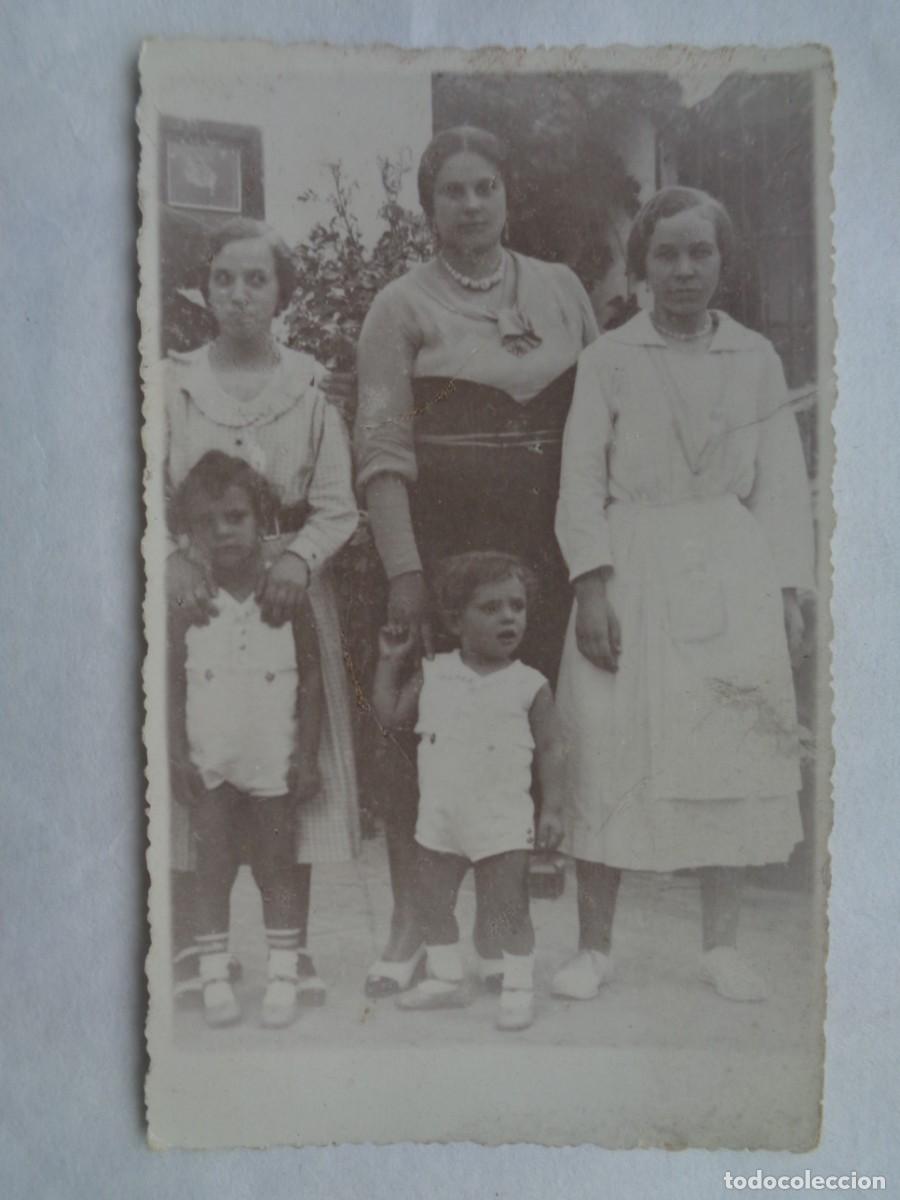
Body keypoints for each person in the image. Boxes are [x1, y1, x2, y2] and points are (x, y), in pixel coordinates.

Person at [553, 186, 815, 1003]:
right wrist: (591, 583)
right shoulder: (610, 359)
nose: (684, 270)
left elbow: (782, 485)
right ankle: (595, 947)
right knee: (606, 742)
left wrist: (788, 589)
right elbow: (579, 481)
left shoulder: (756, 358)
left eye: (700, 252)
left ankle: (722, 946)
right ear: (642, 267)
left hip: (730, 569)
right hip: (632, 562)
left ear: (723, 263)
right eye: (666, 254)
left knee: (727, 749)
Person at [355, 126, 599, 995]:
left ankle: (505, 933)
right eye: (452, 191)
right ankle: (411, 926)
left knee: (521, 737)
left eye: (484, 187)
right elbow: (381, 449)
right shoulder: (400, 305)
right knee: (424, 740)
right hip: (446, 545)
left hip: (546, 544)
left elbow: (602, 417)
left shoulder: (563, 290)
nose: (471, 204)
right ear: (428, 208)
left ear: (507, 193)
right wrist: (406, 573)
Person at [164, 217, 360, 1005]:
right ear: (203, 290)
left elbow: (339, 506)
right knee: (192, 764)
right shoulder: (173, 384)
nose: (240, 295)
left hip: (285, 597)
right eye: (224, 279)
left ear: (282, 292)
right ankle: (189, 948)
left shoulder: (309, 390)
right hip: (192, 597)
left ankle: (293, 949)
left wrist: (296, 559)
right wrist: (175, 557)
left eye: (257, 280)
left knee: (288, 766)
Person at [372, 552, 565, 1031]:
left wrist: (554, 808)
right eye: (491, 607)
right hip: (440, 818)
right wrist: (388, 664)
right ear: (456, 621)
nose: (508, 617)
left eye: (516, 606)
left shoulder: (530, 684)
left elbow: (552, 750)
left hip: (501, 820)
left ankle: (518, 985)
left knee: (508, 907)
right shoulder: (434, 671)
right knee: (431, 901)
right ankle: (445, 977)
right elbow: (390, 715)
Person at [168, 453, 324, 1028]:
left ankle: (283, 969)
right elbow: (167, 684)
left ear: (263, 520)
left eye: (235, 516)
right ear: (188, 531)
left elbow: (311, 678)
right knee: (210, 868)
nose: (222, 530)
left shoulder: (284, 597)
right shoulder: (189, 604)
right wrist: (177, 755)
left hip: (271, 763)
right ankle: (212, 973)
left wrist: (306, 757)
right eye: (206, 521)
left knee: (277, 866)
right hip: (211, 763)